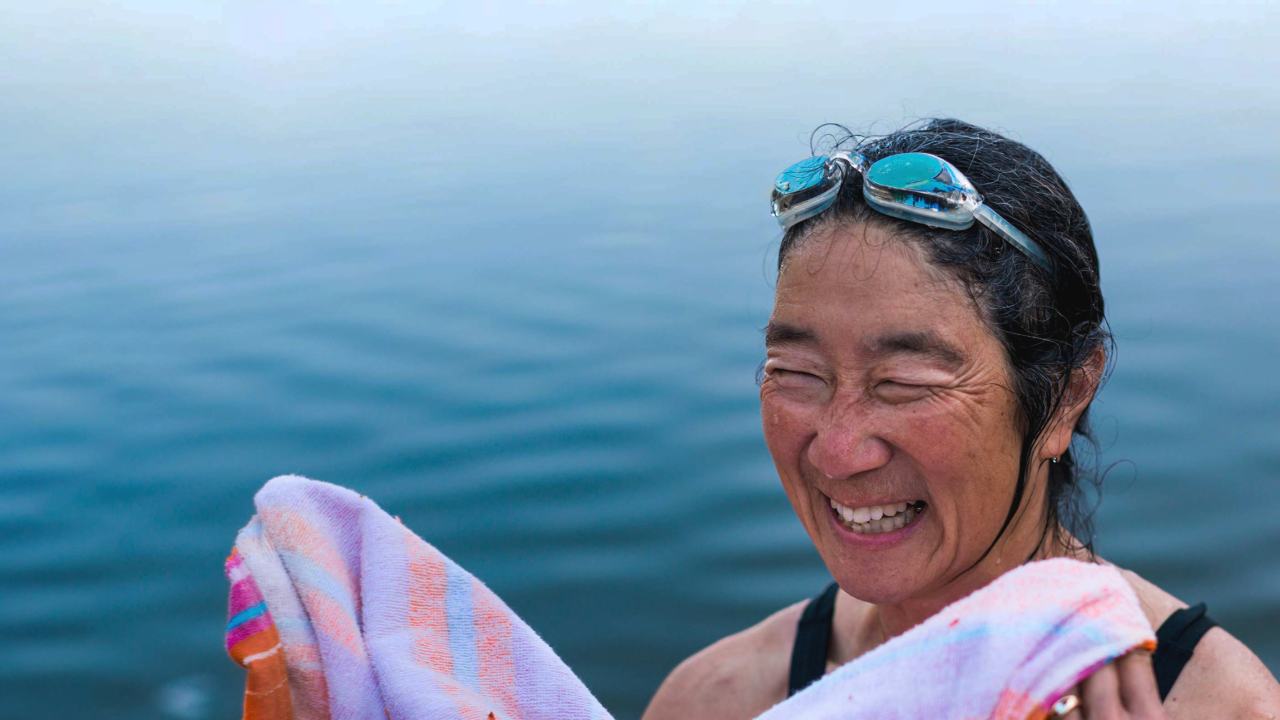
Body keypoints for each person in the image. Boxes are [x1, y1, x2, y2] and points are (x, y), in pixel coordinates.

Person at [642, 119, 1280, 719]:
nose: (836, 452)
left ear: (1067, 394)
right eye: (798, 373)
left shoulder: (1214, 707)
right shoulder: (723, 699)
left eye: (904, 383)